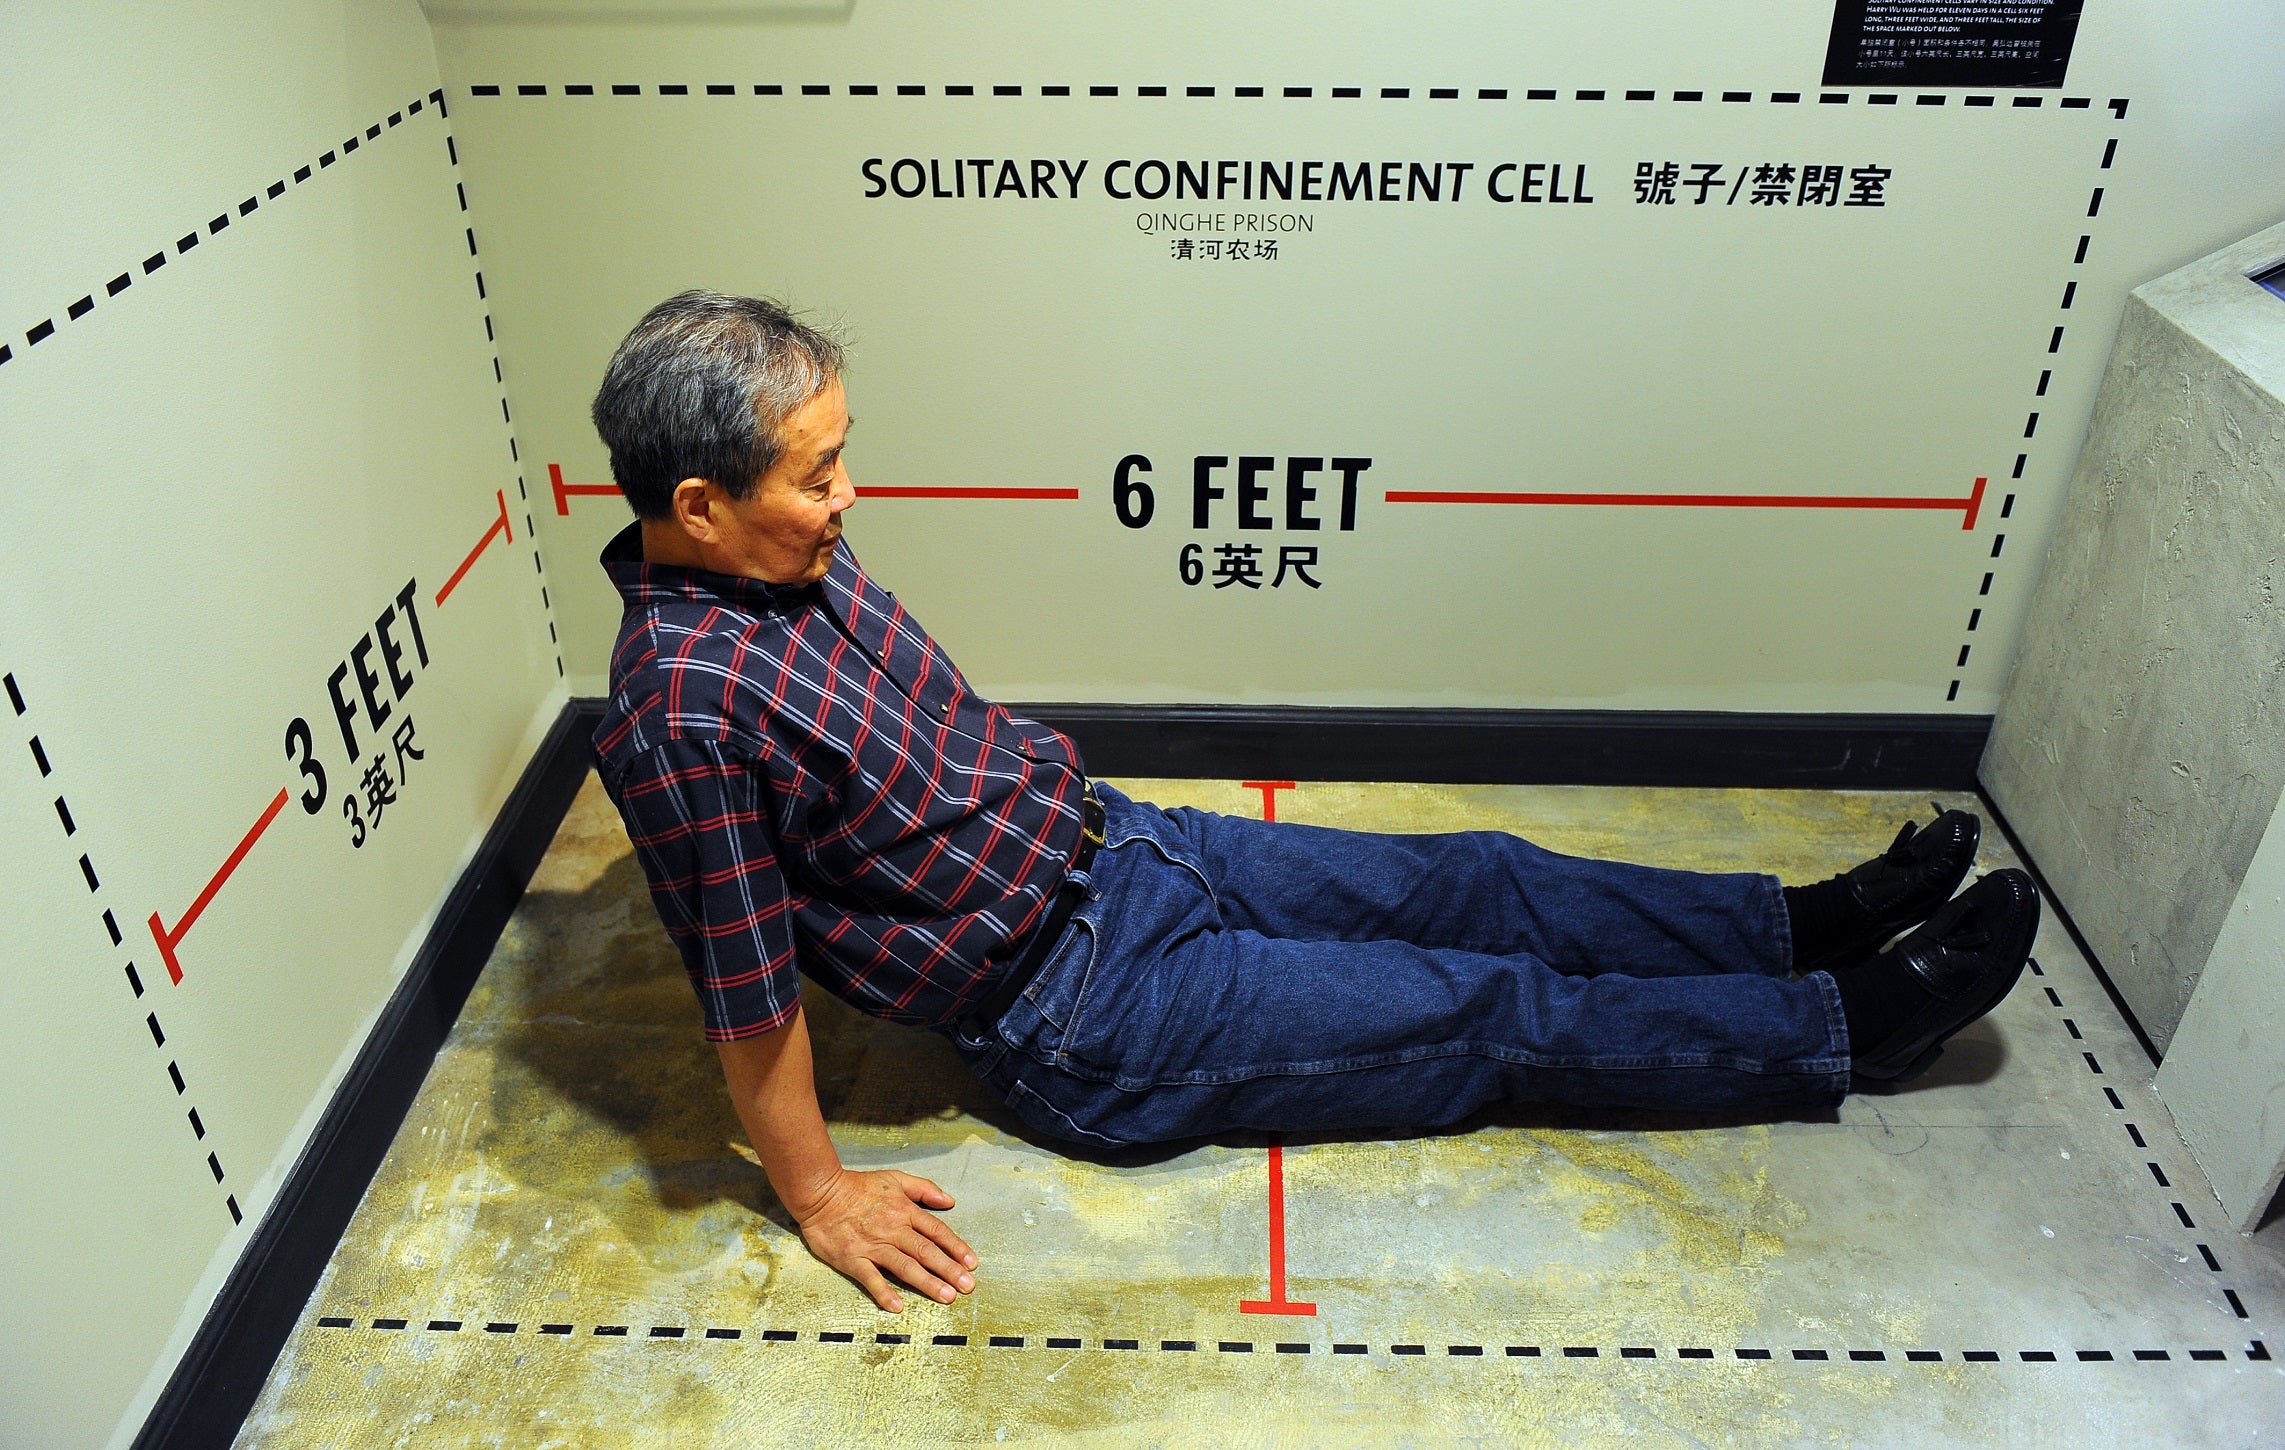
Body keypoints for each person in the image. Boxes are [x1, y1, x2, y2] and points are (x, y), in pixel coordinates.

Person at [588, 291, 2040, 1315]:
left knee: (1486, 875)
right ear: (701, 503)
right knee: (1488, 1005)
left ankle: (1799, 924)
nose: (849, 495)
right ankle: (1846, 1025)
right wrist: (819, 1188)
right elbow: (745, 984)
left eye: (841, 458)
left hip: (1120, 841)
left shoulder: (786, 557)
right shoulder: (681, 709)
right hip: (1079, 1011)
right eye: (817, 473)